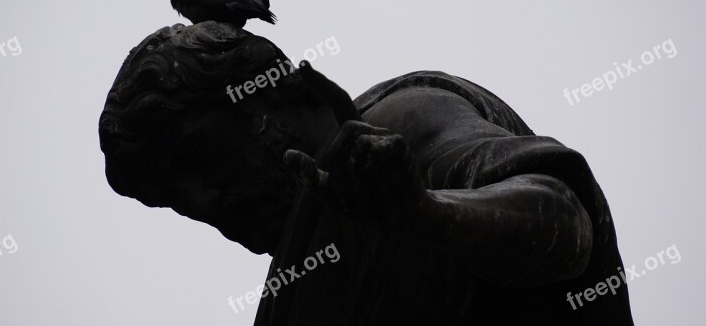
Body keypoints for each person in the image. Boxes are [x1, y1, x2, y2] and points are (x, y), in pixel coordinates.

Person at [99, 21, 634, 325]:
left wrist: (425, 212)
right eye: (175, 199)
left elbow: (565, 222)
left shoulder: (396, 122)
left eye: (194, 156)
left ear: (285, 96)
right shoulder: (286, 301)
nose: (203, 200)